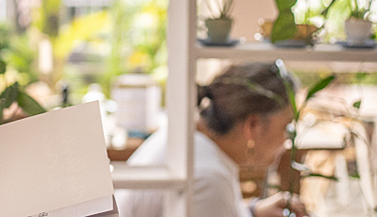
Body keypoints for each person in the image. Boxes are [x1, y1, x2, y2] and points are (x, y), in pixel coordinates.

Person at [115, 62, 308, 217]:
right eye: (285, 126)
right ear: (252, 125)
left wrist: (252, 211)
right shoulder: (209, 179)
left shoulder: (188, 138)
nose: (287, 140)